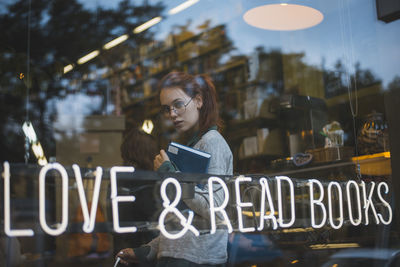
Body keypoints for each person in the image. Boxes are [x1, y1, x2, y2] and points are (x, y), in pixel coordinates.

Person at [117, 72, 233, 267]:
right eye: (167, 108)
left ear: (198, 101)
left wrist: (171, 175)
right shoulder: (193, 146)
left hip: (197, 259)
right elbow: (182, 218)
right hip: (182, 257)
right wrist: (150, 249)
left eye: (178, 104)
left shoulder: (212, 143)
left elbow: (215, 210)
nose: (172, 114)